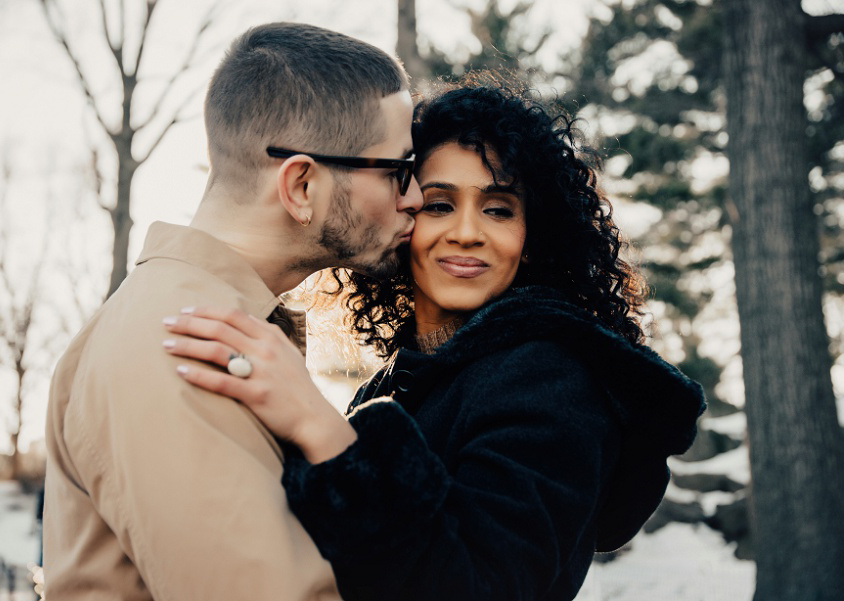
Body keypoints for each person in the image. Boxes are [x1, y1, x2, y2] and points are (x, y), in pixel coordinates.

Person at [161, 77, 706, 600]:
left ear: (532, 239)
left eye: (498, 209)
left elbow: (482, 586)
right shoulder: (404, 379)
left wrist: (316, 424)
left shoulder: (548, 375)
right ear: (401, 220)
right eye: (439, 204)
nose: (466, 232)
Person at [43, 22, 422, 600]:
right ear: (300, 185)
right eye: (397, 171)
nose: (415, 196)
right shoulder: (181, 343)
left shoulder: (206, 323)